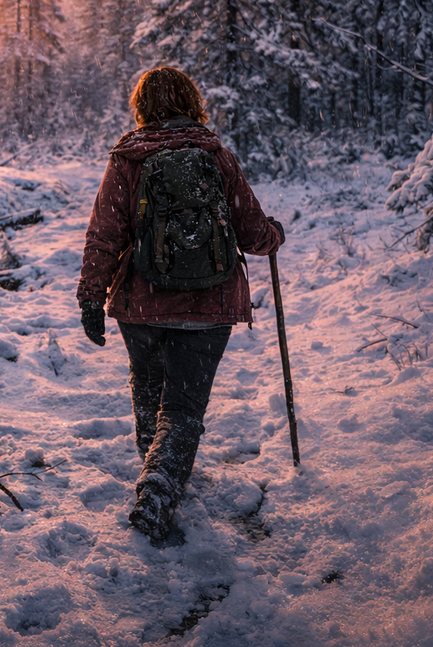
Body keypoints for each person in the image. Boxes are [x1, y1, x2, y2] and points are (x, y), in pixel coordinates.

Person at [76, 66, 284, 544]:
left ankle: (156, 469)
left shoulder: (127, 159)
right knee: (185, 405)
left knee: (148, 386)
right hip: (209, 305)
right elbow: (253, 233)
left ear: (142, 108)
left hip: (142, 304)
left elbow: (105, 235)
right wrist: (275, 235)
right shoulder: (217, 156)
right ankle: (162, 480)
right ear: (193, 102)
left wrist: (92, 297)